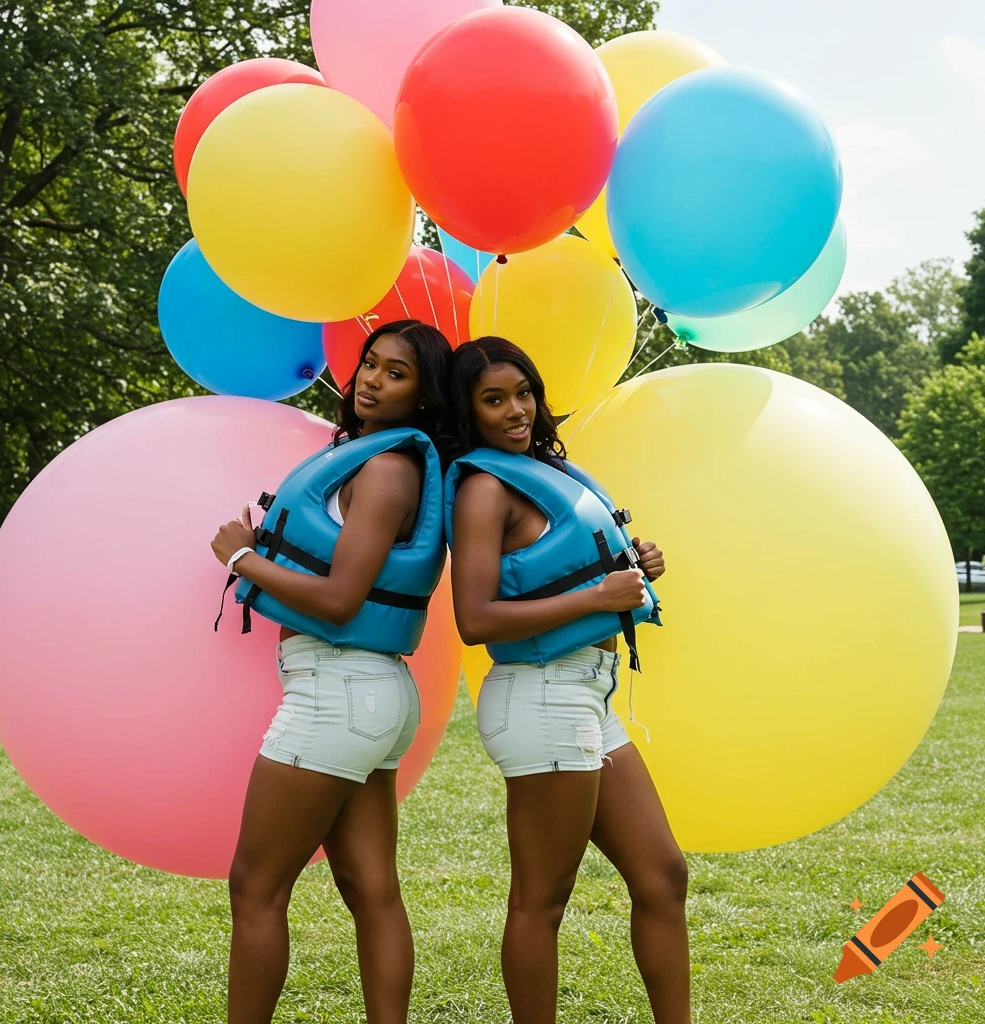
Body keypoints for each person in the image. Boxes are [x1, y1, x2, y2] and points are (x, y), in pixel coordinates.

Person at [210, 320, 453, 1024]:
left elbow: (343, 596)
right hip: (372, 696)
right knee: (370, 888)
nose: (372, 379)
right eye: (370, 364)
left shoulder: (386, 470)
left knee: (256, 886)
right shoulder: (378, 459)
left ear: (424, 394)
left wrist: (243, 559)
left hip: (338, 692)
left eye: (396, 373)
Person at [445, 337, 691, 1024]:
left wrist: (634, 564)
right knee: (541, 900)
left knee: (663, 876)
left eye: (523, 392)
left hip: (586, 695)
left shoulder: (547, 471)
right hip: (541, 700)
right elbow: (475, 617)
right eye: (494, 400)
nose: (517, 411)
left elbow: (574, 567)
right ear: (470, 413)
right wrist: (597, 598)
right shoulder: (484, 489)